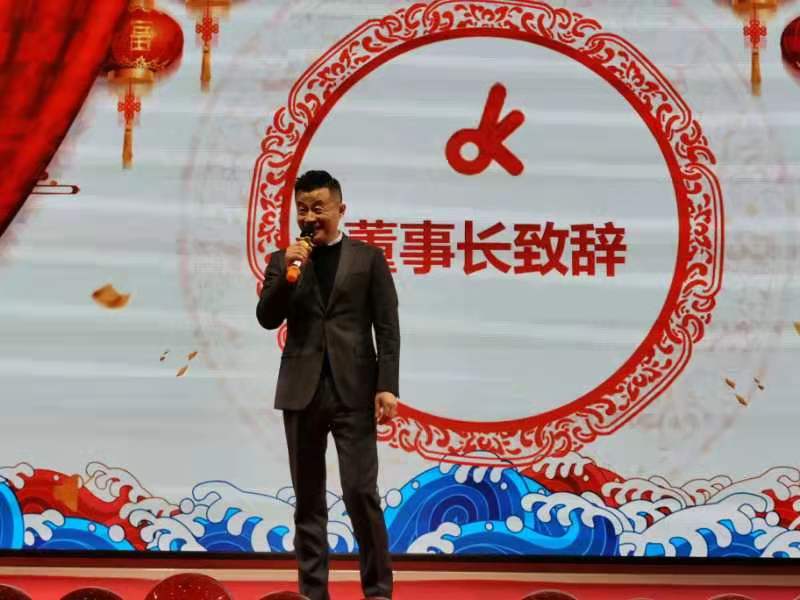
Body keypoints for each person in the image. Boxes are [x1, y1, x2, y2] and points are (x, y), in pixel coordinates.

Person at [256, 170, 399, 600]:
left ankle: (378, 591)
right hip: (301, 390)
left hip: (353, 390)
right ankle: (313, 593)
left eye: (318, 207)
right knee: (308, 500)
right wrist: (288, 272)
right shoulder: (283, 260)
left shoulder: (368, 259)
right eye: (302, 209)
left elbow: (386, 326)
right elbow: (267, 318)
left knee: (361, 493)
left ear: (340, 209)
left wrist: (387, 385)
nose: (309, 217)